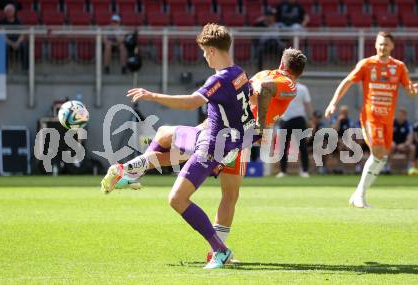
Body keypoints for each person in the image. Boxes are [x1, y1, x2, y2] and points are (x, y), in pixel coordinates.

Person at [112, 47, 307, 262]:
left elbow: (246, 94)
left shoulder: (262, 73)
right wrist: (260, 125)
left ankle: (132, 171)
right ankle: (218, 250)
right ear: (298, 71)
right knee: (228, 194)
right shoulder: (289, 83)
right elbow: (266, 88)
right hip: (240, 138)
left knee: (174, 144)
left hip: (229, 131)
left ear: (281, 63)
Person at [101, 24, 256, 269]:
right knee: (164, 135)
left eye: (205, 51)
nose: (204, 56)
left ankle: (220, 250)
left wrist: (153, 96)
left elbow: (192, 102)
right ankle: (132, 172)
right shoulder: (239, 73)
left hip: (213, 146)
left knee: (177, 199)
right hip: (216, 139)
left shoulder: (221, 78)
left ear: (213, 51)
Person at [325, 31, 418, 208]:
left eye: (386, 44)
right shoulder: (367, 64)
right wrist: (333, 102)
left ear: (392, 46)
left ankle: (357, 193)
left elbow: (409, 92)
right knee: (377, 154)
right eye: (380, 44)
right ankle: (360, 195)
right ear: (376, 45)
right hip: (371, 118)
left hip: (387, 120)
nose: (382, 47)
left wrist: (415, 89)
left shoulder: (399, 67)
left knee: (382, 158)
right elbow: (347, 82)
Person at [276, 82, 312, 178]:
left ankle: (305, 171)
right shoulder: (281, 87)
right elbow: (277, 103)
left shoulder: (302, 88)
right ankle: (282, 171)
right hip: (284, 119)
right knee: (283, 146)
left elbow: (307, 104)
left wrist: (310, 119)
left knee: (302, 146)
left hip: (298, 119)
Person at [0, 3, 28, 71]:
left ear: (14, 12)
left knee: (24, 46)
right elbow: (1, 36)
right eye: (8, 11)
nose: (10, 13)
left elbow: (22, 34)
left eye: (11, 11)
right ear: (5, 12)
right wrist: (11, 43)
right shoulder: (1, 22)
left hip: (17, 42)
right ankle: (5, 69)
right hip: (7, 42)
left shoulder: (19, 21)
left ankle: (25, 69)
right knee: (4, 47)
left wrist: (17, 43)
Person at [391, 108, 416, 174]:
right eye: (400, 114)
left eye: (403, 115)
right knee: (391, 146)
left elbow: (410, 138)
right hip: (393, 144)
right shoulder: (392, 123)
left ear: (405, 116)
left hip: (403, 146)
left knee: (412, 148)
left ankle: (409, 166)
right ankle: (387, 166)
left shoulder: (408, 125)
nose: (401, 116)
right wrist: (393, 143)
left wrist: (404, 144)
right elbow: (387, 136)